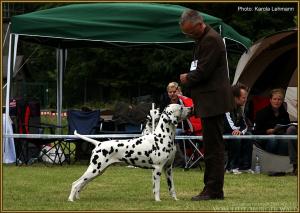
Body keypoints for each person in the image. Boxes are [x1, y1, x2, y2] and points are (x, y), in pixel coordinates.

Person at [179, 9, 234, 200]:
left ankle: (214, 190)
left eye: (191, 32)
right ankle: (211, 189)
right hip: (209, 102)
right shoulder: (203, 39)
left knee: (213, 148)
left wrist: (187, 78)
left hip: (213, 102)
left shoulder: (211, 39)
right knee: (211, 147)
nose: (189, 36)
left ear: (199, 24)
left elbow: (203, 71)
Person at [255, 88, 297, 174]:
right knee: (273, 140)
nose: (277, 101)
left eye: (279, 99)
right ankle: (270, 163)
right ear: (270, 100)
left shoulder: (285, 113)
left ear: (282, 101)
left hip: (281, 137)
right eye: (275, 99)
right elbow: (256, 132)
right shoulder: (261, 113)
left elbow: (287, 126)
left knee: (287, 140)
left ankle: (282, 165)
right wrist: (267, 131)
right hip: (266, 138)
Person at [224, 84, 254, 174]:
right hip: (223, 134)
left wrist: (240, 132)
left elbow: (245, 125)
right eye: (243, 97)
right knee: (235, 138)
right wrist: (237, 131)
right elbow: (229, 125)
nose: (245, 100)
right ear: (235, 98)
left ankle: (245, 167)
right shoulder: (226, 107)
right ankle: (231, 167)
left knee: (248, 136)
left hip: (233, 133)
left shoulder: (240, 109)